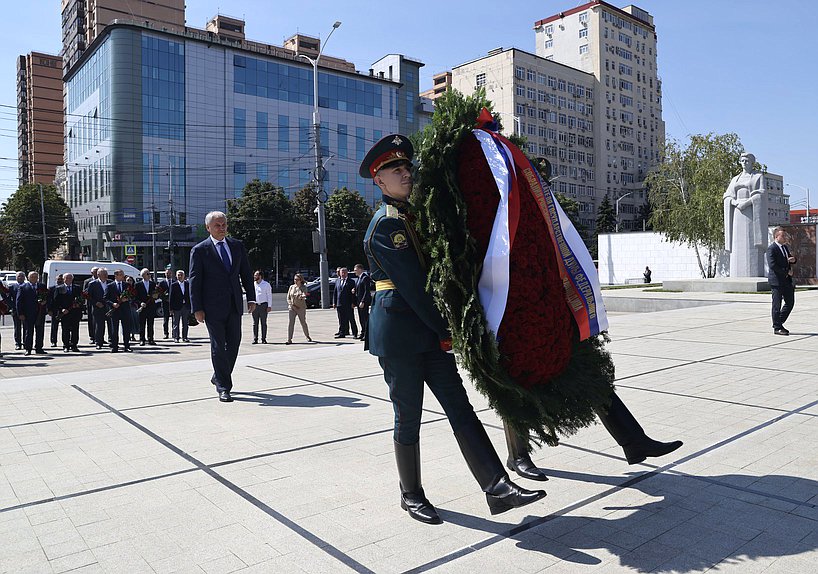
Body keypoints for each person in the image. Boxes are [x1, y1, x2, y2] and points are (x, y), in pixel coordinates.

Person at [360, 134, 545, 524]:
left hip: (427, 331)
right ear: (379, 180)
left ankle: (497, 488)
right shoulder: (386, 226)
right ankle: (410, 494)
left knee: (461, 409)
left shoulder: (413, 216)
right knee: (407, 416)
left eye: (407, 167)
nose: (406, 173)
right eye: (397, 170)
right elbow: (413, 285)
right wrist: (450, 329)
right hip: (401, 338)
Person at [190, 211, 256, 402]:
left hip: (234, 303)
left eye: (224, 224)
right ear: (208, 228)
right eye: (217, 225)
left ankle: (218, 375)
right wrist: (197, 308)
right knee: (218, 346)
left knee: (234, 343)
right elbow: (195, 281)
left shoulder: (237, 246)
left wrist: (251, 298)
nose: (222, 228)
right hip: (211, 307)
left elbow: (246, 272)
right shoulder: (200, 250)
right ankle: (224, 387)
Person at [723, 152, 767, 277]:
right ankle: (737, 273)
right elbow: (727, 195)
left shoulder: (758, 176)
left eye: (747, 161)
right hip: (737, 212)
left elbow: (761, 194)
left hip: (752, 212)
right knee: (737, 242)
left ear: (752, 162)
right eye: (742, 161)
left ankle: (752, 273)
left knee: (750, 241)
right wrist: (734, 202)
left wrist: (747, 203)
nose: (744, 163)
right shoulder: (735, 179)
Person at [767, 226, 796, 336]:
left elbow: (789, 259)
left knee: (790, 302)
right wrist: (786, 272)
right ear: (776, 236)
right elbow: (773, 265)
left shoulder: (785, 248)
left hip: (786, 281)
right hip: (776, 281)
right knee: (776, 304)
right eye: (782, 236)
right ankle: (777, 327)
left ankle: (778, 322)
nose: (785, 238)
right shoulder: (772, 249)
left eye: (785, 235)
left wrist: (793, 260)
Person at [16, 271, 47, 356]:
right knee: (28, 331)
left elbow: (47, 297)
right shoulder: (23, 287)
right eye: (32, 277)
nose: (34, 278)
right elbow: (19, 301)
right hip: (28, 313)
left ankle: (39, 348)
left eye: (35, 277)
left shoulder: (42, 286)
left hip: (40, 312)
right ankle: (28, 349)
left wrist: (45, 303)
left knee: (40, 331)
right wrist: (20, 313)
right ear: (28, 278)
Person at [55, 273, 83, 352]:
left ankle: (74, 345)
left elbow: (81, 299)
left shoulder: (77, 288)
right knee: (65, 330)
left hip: (75, 312)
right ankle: (66, 345)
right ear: (63, 279)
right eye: (67, 278)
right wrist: (61, 309)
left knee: (75, 329)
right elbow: (56, 301)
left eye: (70, 278)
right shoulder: (59, 288)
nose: (69, 280)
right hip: (65, 313)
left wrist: (78, 304)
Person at [107, 269, 133, 353]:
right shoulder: (110, 286)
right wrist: (112, 304)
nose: (123, 276)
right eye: (121, 274)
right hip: (115, 310)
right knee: (114, 329)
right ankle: (115, 346)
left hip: (125, 310)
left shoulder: (127, 285)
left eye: (123, 274)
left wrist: (128, 299)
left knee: (126, 329)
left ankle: (127, 345)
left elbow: (132, 296)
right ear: (116, 276)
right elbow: (105, 298)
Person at [87, 268, 111, 349]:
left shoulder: (110, 282)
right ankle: (98, 342)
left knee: (111, 325)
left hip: (109, 307)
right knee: (99, 325)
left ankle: (112, 340)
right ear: (98, 275)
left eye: (106, 274)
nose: (105, 275)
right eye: (103, 274)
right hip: (98, 307)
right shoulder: (93, 284)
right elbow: (88, 296)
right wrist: (95, 303)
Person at [331, 267, 357, 339]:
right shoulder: (338, 281)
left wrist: (353, 303)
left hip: (348, 303)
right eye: (341, 272)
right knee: (341, 319)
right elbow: (335, 292)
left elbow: (353, 294)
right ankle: (342, 332)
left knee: (351, 318)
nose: (343, 274)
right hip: (340, 303)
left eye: (344, 272)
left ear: (347, 273)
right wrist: (334, 302)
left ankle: (355, 332)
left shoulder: (351, 281)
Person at [286, 273, 311, 344]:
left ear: (300, 280)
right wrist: (291, 304)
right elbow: (288, 298)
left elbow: (304, 294)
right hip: (292, 308)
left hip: (301, 308)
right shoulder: (291, 287)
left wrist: (302, 296)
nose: (295, 281)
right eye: (294, 279)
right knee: (291, 323)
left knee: (303, 322)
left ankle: (307, 336)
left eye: (297, 279)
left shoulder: (303, 287)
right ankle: (289, 339)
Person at [135, 268, 158, 345]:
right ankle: (142, 339)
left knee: (150, 324)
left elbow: (156, 295)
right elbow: (135, 297)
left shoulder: (153, 284)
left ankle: (151, 339)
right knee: (142, 324)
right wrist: (140, 303)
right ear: (143, 275)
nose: (149, 275)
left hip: (151, 307)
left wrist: (156, 296)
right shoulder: (138, 285)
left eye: (149, 274)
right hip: (142, 307)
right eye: (147, 274)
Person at [169, 270, 191, 342]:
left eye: (181, 275)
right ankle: (176, 337)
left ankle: (185, 337)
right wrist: (171, 308)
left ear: (184, 276)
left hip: (186, 306)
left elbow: (190, 296)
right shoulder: (174, 285)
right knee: (176, 323)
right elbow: (171, 297)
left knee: (185, 323)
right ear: (176, 276)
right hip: (176, 307)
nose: (180, 276)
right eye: (178, 275)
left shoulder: (188, 284)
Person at [252, 270, 272, 344]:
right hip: (255, 306)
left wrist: (269, 306)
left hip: (263, 305)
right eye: (254, 275)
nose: (254, 276)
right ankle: (255, 338)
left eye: (256, 275)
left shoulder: (266, 284)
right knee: (255, 323)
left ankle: (263, 339)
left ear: (260, 276)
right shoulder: (253, 284)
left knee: (263, 323)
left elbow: (269, 296)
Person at [353, 263, 371, 341]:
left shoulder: (365, 278)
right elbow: (359, 288)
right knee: (361, 318)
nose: (355, 272)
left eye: (356, 270)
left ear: (360, 269)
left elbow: (366, 291)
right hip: (358, 301)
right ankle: (363, 332)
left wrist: (363, 301)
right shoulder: (359, 278)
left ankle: (367, 333)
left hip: (363, 302)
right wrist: (354, 290)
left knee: (365, 318)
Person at [83, 267, 100, 345]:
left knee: (100, 321)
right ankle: (92, 336)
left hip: (100, 303)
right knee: (91, 320)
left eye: (97, 272)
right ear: (92, 273)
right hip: (90, 303)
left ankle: (100, 337)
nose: (96, 273)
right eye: (95, 272)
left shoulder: (102, 281)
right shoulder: (87, 281)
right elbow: (85, 292)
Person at [8, 272, 25, 350]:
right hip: (15, 310)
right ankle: (18, 343)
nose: (20, 278)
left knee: (26, 327)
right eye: (19, 276)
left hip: (25, 310)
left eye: (22, 276)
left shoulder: (27, 286)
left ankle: (25, 342)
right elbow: (8, 298)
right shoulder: (12, 287)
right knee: (17, 327)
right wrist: (13, 306)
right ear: (16, 278)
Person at [48, 274, 64, 347]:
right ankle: (53, 341)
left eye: (61, 279)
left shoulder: (65, 288)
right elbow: (49, 300)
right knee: (54, 326)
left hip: (64, 310)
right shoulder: (51, 289)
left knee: (66, 326)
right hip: (55, 310)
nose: (59, 281)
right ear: (56, 280)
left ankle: (66, 341)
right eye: (58, 279)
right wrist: (49, 310)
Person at [158, 268, 174, 339]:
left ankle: (174, 333)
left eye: (169, 273)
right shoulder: (162, 283)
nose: (168, 275)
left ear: (172, 274)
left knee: (174, 319)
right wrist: (165, 298)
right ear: (165, 274)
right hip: (165, 303)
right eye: (167, 273)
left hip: (173, 304)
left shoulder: (174, 282)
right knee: (165, 319)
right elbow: (159, 293)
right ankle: (166, 333)